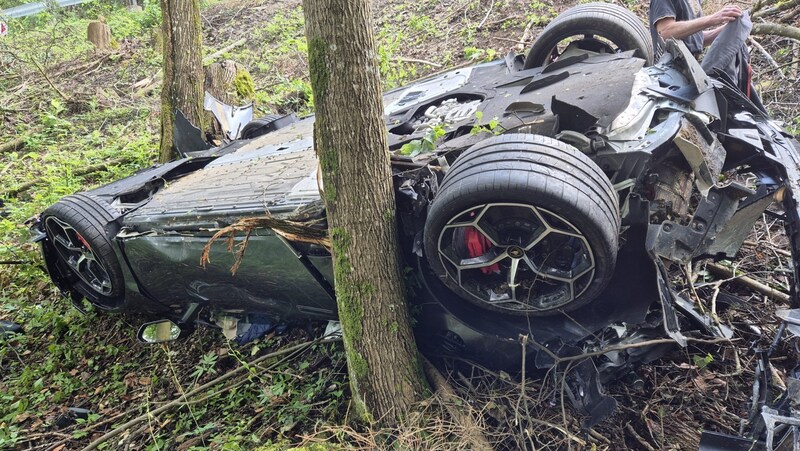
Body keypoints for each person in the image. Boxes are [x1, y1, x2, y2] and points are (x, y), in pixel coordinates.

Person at [649, 0, 743, 58]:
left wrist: (727, 29)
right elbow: (665, 32)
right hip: (668, 74)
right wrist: (712, 19)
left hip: (691, 71)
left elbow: (695, 40)